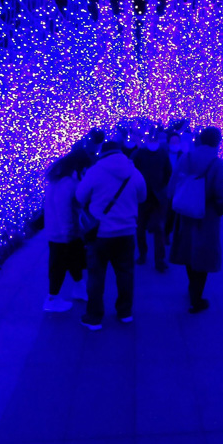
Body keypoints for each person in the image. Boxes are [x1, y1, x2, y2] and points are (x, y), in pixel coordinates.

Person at [75, 140, 147, 329]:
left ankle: (94, 317)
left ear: (103, 153)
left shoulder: (94, 172)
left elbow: (80, 197)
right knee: (125, 273)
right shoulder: (134, 172)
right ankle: (125, 312)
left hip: (100, 233)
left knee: (96, 275)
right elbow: (143, 197)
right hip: (127, 232)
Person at [169, 126, 223, 313]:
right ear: (217, 142)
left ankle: (191, 287)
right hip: (207, 216)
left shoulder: (186, 157)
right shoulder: (217, 164)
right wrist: (221, 207)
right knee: (203, 255)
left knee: (188, 250)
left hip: (185, 211)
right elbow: (220, 194)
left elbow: (172, 186)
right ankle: (197, 298)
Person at [42, 148, 93, 312]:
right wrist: (68, 232)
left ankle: (78, 288)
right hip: (63, 233)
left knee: (73, 260)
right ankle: (52, 298)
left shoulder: (59, 180)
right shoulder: (67, 184)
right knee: (59, 265)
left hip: (61, 231)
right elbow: (63, 210)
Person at [133, 128, 173, 270]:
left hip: (155, 197)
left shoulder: (153, 153)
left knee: (157, 228)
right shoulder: (143, 154)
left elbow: (168, 172)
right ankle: (147, 255)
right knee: (142, 228)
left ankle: (157, 259)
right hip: (147, 196)